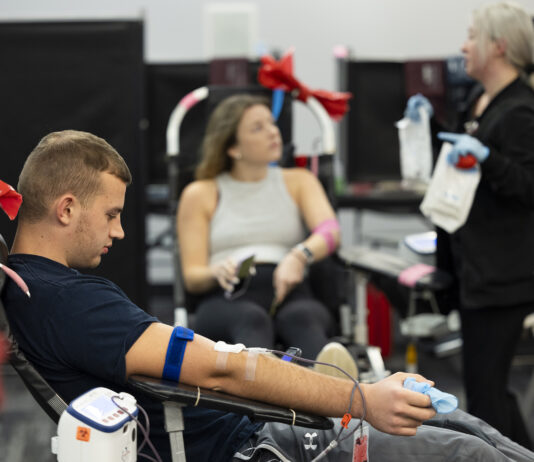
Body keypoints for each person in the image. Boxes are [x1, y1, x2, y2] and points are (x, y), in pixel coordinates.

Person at [4, 129, 534, 461]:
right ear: (67, 208)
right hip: (250, 444)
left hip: (253, 424)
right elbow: (221, 369)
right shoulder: (64, 301)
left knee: (459, 423)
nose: (119, 232)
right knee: (467, 450)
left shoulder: (42, 291)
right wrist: (363, 400)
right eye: (112, 214)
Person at [405, 1, 534, 449]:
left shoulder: (519, 109)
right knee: (489, 387)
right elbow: (464, 156)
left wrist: (489, 159)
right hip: (475, 271)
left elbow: (527, 185)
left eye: (473, 36)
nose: (464, 45)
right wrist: (433, 125)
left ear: (498, 46)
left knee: (484, 391)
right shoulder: (480, 101)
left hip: (503, 278)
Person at [177, 94, 340, 362]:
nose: (273, 132)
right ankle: (269, 391)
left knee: (302, 319)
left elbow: (331, 232)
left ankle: (335, 388)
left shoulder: (299, 181)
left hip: (291, 289)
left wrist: (300, 255)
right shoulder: (200, 194)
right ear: (232, 148)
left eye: (271, 123)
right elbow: (192, 277)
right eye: (257, 128)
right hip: (228, 297)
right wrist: (215, 271)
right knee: (251, 321)